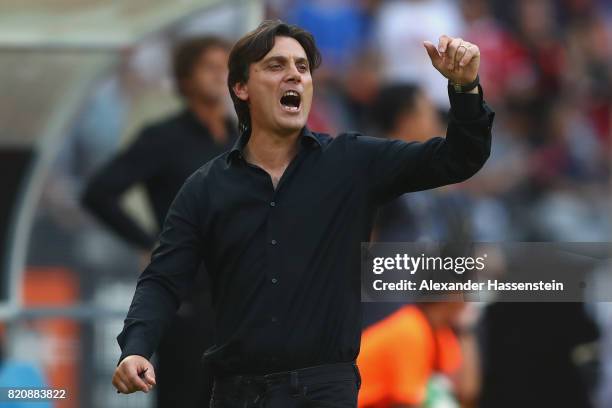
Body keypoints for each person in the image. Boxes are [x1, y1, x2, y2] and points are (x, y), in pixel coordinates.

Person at [111, 20, 494, 407]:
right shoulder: (205, 187)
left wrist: (464, 89)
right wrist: (136, 347)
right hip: (237, 393)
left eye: (302, 67)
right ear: (241, 88)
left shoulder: (352, 162)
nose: (294, 73)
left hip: (324, 390)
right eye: (276, 65)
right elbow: (162, 279)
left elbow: (459, 159)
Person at [82, 36, 235, 407]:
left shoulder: (243, 138)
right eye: (209, 67)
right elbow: (99, 192)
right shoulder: (164, 138)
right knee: (186, 393)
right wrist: (148, 243)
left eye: (226, 67)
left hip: (238, 293)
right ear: (185, 79)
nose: (220, 76)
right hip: (186, 294)